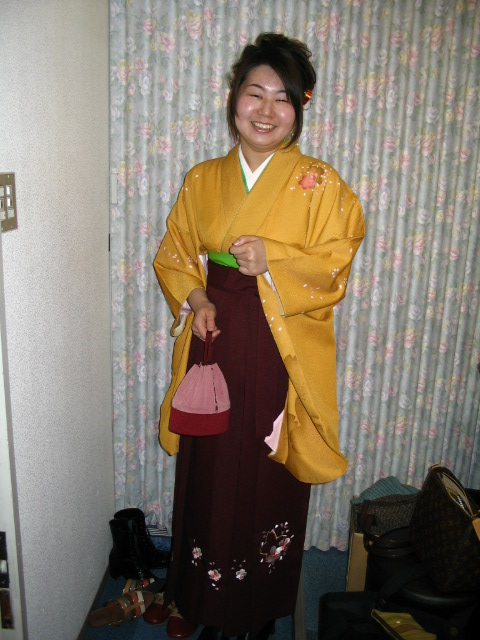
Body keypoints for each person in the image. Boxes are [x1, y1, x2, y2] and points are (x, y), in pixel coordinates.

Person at [154, 32, 365, 640]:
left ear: (299, 108)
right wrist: (197, 299)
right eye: (255, 93)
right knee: (211, 461)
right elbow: (174, 254)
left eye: (283, 98)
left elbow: (336, 260)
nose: (267, 110)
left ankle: (258, 606)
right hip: (216, 335)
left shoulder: (319, 182)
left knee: (268, 465)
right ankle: (202, 594)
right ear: (234, 98)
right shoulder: (203, 179)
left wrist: (275, 259)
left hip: (281, 345)